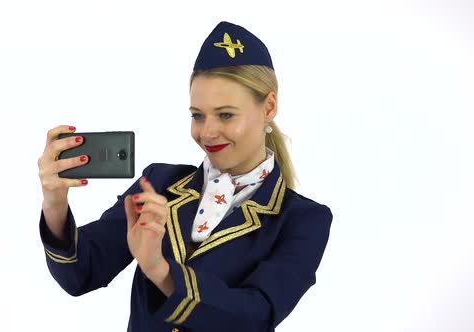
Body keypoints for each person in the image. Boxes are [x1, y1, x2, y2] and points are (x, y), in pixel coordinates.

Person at [37, 21, 332, 332]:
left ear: (269, 107)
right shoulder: (159, 183)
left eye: (226, 115)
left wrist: (160, 270)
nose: (207, 132)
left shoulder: (302, 219)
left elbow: (253, 317)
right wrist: (55, 205)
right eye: (197, 115)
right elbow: (81, 275)